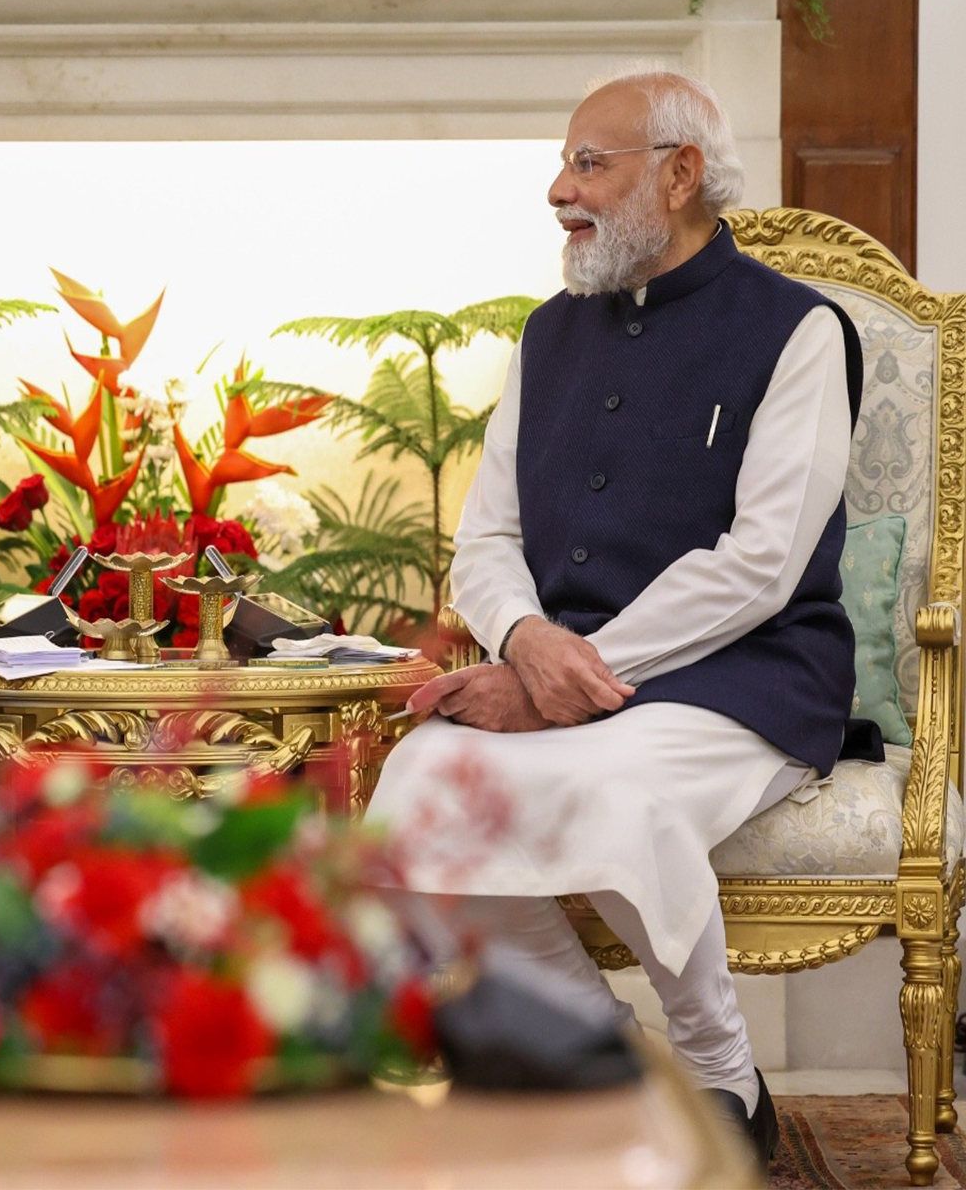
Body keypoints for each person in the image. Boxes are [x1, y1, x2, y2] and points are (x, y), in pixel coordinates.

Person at [366, 69, 863, 1168]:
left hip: (748, 676)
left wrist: (566, 674)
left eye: (588, 162)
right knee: (419, 785)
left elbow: (762, 565)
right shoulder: (547, 335)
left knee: (610, 781)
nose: (558, 189)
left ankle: (722, 1075)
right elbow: (484, 542)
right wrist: (526, 644)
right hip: (557, 670)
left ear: (681, 173)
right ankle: (608, 1063)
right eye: (562, 163)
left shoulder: (800, 331)